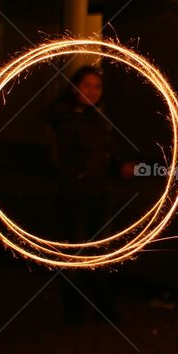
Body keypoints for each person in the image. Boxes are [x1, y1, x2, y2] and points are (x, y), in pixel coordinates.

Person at [50, 65, 133, 324]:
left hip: (100, 192)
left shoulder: (98, 117)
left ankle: (103, 308)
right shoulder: (65, 119)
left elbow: (104, 152)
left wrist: (119, 166)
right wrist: (80, 177)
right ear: (74, 88)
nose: (92, 91)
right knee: (75, 255)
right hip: (75, 196)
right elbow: (62, 159)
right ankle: (75, 312)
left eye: (97, 86)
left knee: (100, 254)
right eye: (86, 85)